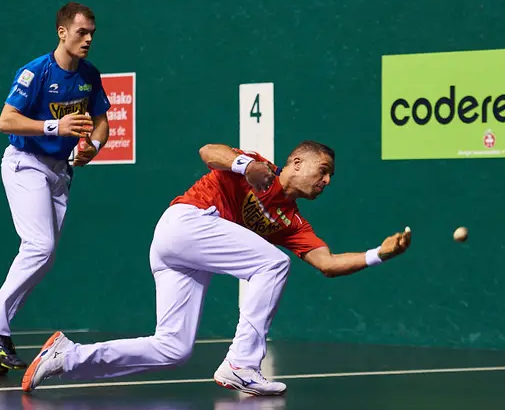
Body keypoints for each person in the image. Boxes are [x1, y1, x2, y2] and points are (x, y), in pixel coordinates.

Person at [21, 141, 411, 395]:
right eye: (321, 169)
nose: (326, 180)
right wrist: (245, 166)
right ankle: (242, 362)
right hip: (187, 222)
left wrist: (380, 253)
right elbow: (209, 151)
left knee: (172, 348)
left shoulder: (291, 221)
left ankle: (65, 357)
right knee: (273, 263)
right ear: (295, 162)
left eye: (330, 176)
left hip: (183, 252)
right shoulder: (262, 169)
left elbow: (326, 263)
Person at [0, 1, 111, 375]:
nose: (89, 39)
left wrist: (92, 149)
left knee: (43, 257)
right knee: (39, 246)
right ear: (62, 32)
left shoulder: (89, 75)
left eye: (92, 32)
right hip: (24, 164)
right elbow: (6, 120)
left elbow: (101, 122)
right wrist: (54, 127)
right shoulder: (35, 72)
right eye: (82, 32)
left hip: (60, 173)